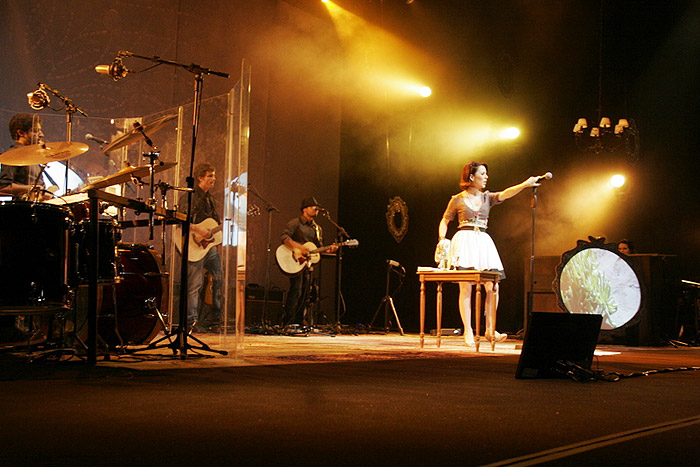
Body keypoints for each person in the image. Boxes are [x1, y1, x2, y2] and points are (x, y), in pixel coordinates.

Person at [437, 161, 540, 347]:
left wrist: (525, 184)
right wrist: (442, 238)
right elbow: (445, 219)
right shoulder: (457, 199)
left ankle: (490, 329)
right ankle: (468, 330)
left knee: (493, 286)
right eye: (482, 174)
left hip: (483, 241)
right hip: (465, 240)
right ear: (471, 177)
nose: (486, 177)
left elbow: (505, 194)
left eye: (486, 173)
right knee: (466, 287)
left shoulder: (487, 198)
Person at [177, 163, 222, 332]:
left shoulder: (210, 199)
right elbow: (182, 221)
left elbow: (213, 226)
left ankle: (214, 319)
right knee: (194, 285)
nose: (214, 179)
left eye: (214, 175)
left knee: (218, 278)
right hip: (192, 245)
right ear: (200, 177)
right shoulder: (188, 197)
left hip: (208, 247)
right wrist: (198, 229)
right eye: (210, 175)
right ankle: (190, 322)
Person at [280, 196, 337, 329]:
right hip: (295, 260)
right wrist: (299, 247)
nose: (316, 210)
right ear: (305, 209)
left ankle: (300, 321)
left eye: (317, 208)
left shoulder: (317, 229)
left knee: (306, 292)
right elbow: (284, 237)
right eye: (313, 207)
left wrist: (330, 249)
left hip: (307, 263)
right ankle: (287, 321)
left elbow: (318, 248)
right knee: (296, 290)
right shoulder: (295, 223)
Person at [0, 113, 52, 200]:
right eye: (35, 131)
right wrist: (32, 189)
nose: (41, 135)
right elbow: (3, 187)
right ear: (21, 133)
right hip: (22, 210)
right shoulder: (13, 154)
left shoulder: (33, 157)